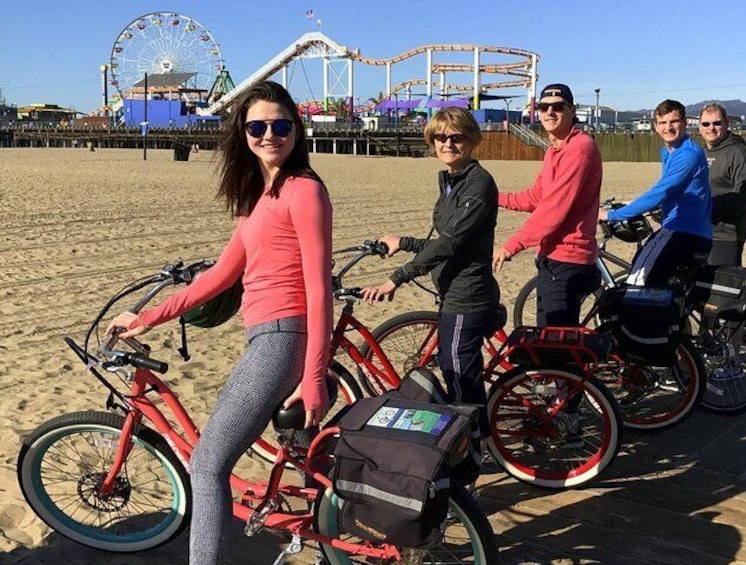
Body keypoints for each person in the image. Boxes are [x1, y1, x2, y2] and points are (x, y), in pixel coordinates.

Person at [106, 81, 332, 565]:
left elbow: (318, 288)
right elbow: (220, 276)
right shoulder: (261, 197)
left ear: (297, 129)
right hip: (266, 335)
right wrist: (148, 317)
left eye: (280, 125)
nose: (269, 134)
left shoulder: (303, 190)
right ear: (243, 133)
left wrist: (315, 377)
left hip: (284, 337)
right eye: (257, 126)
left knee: (207, 467)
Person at [361, 106, 499, 430]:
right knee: (457, 370)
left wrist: (397, 279)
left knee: (460, 379)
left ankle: (476, 443)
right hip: (453, 291)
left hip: (467, 296)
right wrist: (403, 243)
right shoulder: (453, 181)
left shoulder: (477, 185)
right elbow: (448, 243)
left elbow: (449, 244)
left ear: (471, 139)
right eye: (440, 137)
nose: (447, 143)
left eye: (456, 137)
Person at [493, 83, 602, 327]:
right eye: (543, 107)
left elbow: (553, 210)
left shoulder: (579, 148)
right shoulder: (555, 150)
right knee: (557, 340)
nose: (549, 112)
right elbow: (536, 196)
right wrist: (493, 196)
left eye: (558, 107)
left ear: (572, 110)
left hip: (567, 259)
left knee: (553, 348)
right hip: (554, 258)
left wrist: (510, 246)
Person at [600, 99, 712, 286]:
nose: (668, 127)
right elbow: (672, 190)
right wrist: (632, 203)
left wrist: (612, 215)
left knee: (637, 280)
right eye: (662, 122)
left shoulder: (687, 154)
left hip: (682, 231)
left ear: (685, 123)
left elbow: (660, 192)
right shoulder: (669, 151)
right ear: (656, 126)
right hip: (688, 229)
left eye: (674, 121)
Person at [699, 102, 746, 266]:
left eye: (716, 123)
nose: (711, 128)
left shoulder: (738, 152)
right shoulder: (701, 153)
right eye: (706, 124)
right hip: (699, 231)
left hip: (725, 235)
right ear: (699, 127)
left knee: (721, 287)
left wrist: (710, 206)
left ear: (726, 124)